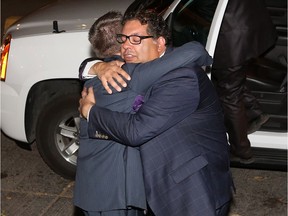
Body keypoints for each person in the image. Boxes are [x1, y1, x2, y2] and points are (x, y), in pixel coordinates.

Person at [79, 10, 234, 216]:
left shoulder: (182, 78)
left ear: (160, 44)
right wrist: (96, 66)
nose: (126, 46)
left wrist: (90, 111)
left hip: (189, 189)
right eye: (123, 39)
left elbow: (137, 130)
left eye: (136, 39)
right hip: (161, 184)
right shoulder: (138, 68)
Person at [211, 0, 277, 163]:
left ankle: (241, 151)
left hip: (231, 38)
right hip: (250, 29)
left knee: (229, 94)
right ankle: (254, 111)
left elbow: (204, 8)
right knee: (231, 81)